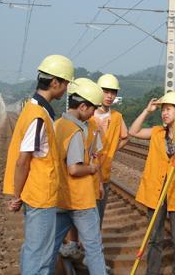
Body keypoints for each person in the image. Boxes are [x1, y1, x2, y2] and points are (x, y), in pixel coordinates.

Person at [2, 54, 74, 275]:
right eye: (66, 84)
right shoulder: (38, 117)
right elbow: (23, 161)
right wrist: (16, 195)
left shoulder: (36, 110)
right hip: (40, 196)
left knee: (33, 250)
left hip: (38, 193)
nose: (66, 90)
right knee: (40, 254)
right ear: (55, 83)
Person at [129, 92, 175, 275]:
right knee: (154, 238)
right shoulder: (156, 132)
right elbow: (133, 131)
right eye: (163, 109)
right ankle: (152, 272)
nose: (164, 113)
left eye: (168, 109)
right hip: (156, 190)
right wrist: (147, 111)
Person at [50, 78, 107, 275]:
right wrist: (92, 170)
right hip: (80, 200)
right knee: (93, 248)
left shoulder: (57, 125)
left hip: (60, 197)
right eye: (93, 108)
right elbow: (74, 169)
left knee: (51, 246)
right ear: (82, 106)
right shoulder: (74, 131)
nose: (94, 113)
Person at [92, 73, 129, 226]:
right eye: (106, 91)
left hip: (104, 174)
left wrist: (113, 150)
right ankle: (76, 244)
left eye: (113, 92)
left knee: (98, 217)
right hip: (86, 173)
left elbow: (125, 137)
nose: (110, 96)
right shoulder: (88, 114)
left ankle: (92, 247)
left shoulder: (117, 117)